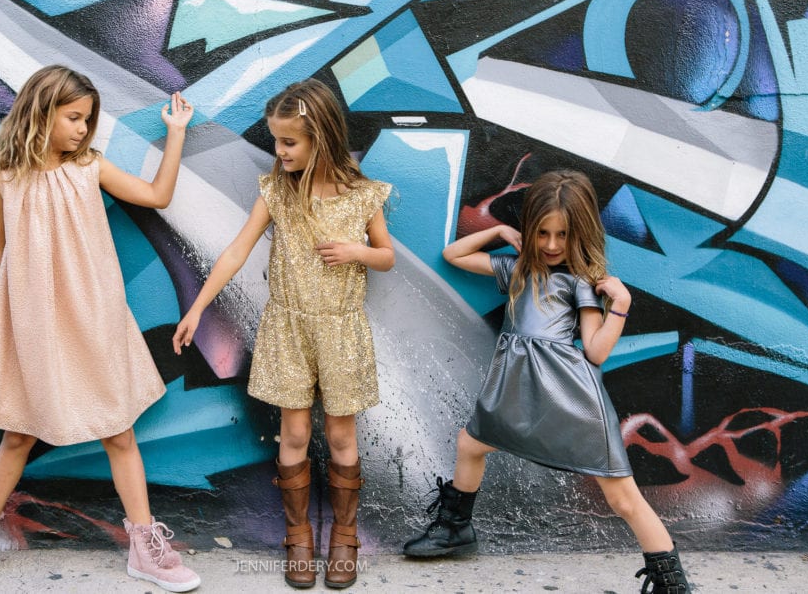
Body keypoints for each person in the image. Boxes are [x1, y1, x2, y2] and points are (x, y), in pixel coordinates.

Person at [0, 65, 200, 593]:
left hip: (94, 316)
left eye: (88, 120)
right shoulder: (2, 181)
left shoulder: (89, 168)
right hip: (33, 323)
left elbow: (156, 196)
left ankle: (145, 543)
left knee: (118, 431)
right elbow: (1, 255)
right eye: (74, 117)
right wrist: (17, 322)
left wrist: (175, 135)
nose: (83, 129)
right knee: (18, 430)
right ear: (41, 112)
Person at [403, 170, 691, 594]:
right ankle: (455, 530)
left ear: (580, 233)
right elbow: (454, 255)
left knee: (622, 497)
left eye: (563, 235)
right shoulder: (519, 269)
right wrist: (500, 229)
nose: (552, 245)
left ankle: (672, 583)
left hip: (570, 395)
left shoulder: (581, 283)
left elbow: (594, 351)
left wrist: (622, 305)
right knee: (471, 444)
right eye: (542, 233)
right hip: (516, 387)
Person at [172, 78, 394, 589]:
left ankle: (344, 536)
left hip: (341, 330)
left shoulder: (361, 194)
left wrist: (357, 252)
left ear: (321, 137)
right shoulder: (277, 191)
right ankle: (298, 537)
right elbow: (236, 250)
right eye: (276, 140)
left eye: (289, 142)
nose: (280, 151)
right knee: (294, 433)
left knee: (341, 435)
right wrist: (198, 308)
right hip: (287, 327)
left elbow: (386, 255)